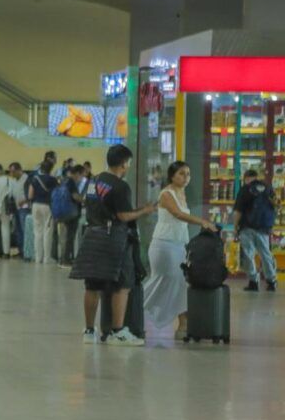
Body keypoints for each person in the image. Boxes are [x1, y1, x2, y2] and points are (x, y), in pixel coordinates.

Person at [74, 144, 157, 346]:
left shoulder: (93, 181)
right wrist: (145, 211)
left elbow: (87, 203)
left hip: (92, 234)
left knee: (92, 285)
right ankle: (117, 332)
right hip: (113, 238)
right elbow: (123, 216)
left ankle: (88, 331)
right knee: (122, 284)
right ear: (124, 164)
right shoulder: (120, 186)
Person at [143, 161, 218, 339]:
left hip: (178, 245)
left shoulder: (182, 193)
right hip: (164, 245)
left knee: (180, 284)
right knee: (161, 282)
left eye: (188, 174)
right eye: (182, 174)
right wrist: (202, 222)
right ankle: (137, 311)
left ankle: (183, 325)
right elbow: (178, 214)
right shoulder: (166, 194)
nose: (186, 178)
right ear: (172, 176)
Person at [234, 169, 279, 292]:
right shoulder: (268, 188)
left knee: (248, 254)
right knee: (265, 254)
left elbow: (238, 211)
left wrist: (235, 227)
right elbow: (275, 205)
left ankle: (253, 281)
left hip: (247, 227)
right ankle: (271, 281)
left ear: (246, 178)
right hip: (264, 228)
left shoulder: (245, 189)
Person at [27, 160, 58, 264]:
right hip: (47, 206)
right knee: (47, 232)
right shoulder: (53, 180)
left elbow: (30, 195)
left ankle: (38, 257)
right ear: (51, 168)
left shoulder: (35, 179)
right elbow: (56, 194)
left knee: (37, 232)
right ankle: (46, 258)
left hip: (35, 206)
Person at [57, 165, 86, 268]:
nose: (82, 178)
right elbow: (75, 196)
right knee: (70, 237)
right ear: (77, 173)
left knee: (65, 237)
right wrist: (85, 200)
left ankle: (63, 259)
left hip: (63, 212)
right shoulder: (71, 182)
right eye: (82, 175)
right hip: (72, 213)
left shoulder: (64, 180)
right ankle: (66, 260)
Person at [9, 163, 29, 257]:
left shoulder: (26, 179)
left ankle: (27, 251)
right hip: (16, 208)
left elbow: (30, 194)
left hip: (24, 208)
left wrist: (24, 200)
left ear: (19, 170)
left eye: (13, 172)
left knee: (25, 230)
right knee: (18, 231)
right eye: (10, 172)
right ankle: (21, 251)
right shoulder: (13, 180)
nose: (12, 174)